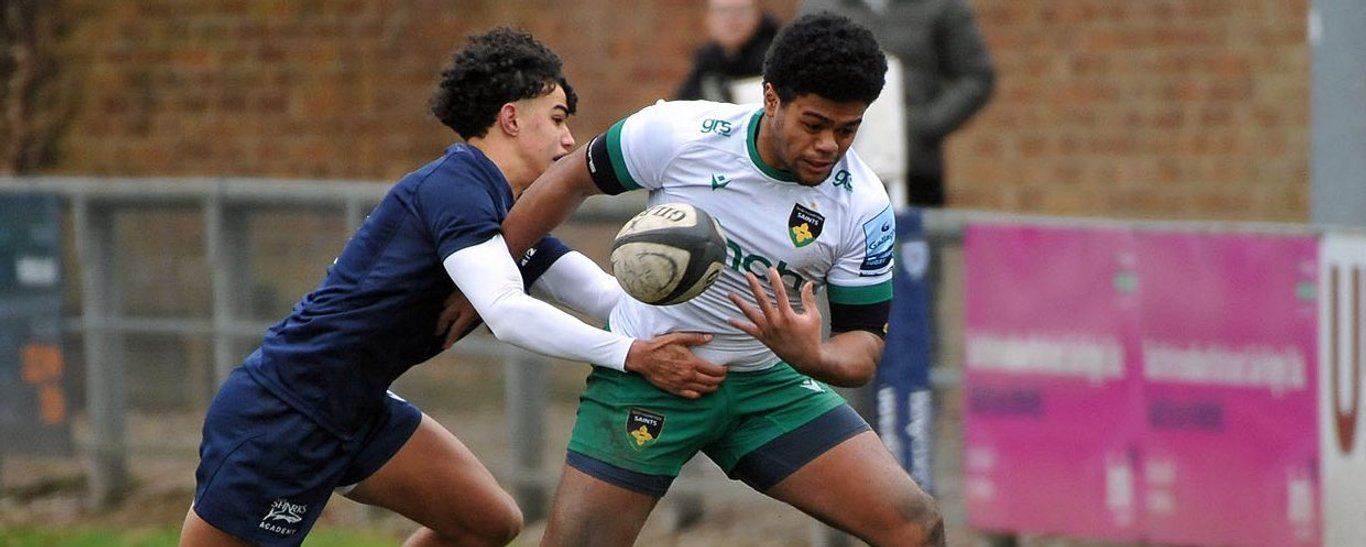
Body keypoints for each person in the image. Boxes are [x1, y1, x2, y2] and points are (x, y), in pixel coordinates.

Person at [177, 28, 725, 547]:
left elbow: (604, 296)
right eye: (557, 118)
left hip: (358, 409)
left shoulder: (506, 212)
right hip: (285, 410)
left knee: (485, 524)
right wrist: (631, 355)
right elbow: (508, 313)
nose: (568, 140)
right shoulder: (457, 187)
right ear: (510, 118)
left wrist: (717, 321)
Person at [501, 13, 944, 547]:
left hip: (768, 385)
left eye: (847, 129)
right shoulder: (678, 133)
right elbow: (570, 179)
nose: (830, 144)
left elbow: (864, 346)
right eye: (815, 123)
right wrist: (489, 276)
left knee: (916, 528)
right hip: (650, 369)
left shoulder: (864, 206)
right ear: (772, 98)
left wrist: (814, 357)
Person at [800, 0, 995, 207]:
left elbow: (976, 75)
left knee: (910, 236)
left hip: (914, 169)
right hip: (832, 166)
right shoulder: (819, 6)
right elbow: (795, 74)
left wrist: (922, 125)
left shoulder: (942, 5)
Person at [674, 0, 781, 102]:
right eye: (722, 11)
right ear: (707, 18)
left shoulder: (778, 61)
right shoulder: (706, 65)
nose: (732, 19)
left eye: (741, 10)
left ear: (757, 14)